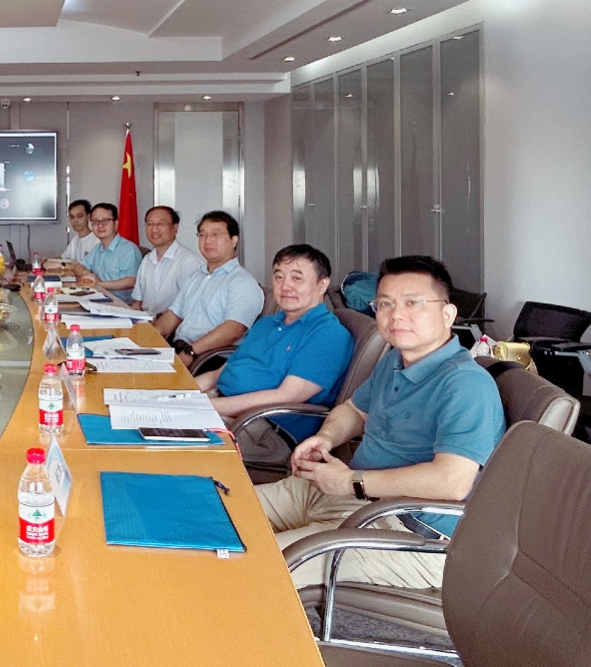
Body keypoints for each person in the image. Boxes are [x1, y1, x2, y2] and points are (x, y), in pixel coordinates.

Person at [257, 255, 505, 590]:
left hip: (409, 532)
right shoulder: (394, 361)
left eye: (413, 303)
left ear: (447, 314)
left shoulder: (466, 385)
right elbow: (354, 411)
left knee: (257, 570)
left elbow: (452, 481)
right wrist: (326, 438)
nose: (396, 315)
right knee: (221, 513)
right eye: (385, 304)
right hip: (354, 497)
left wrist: (353, 482)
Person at [195, 244, 353, 461]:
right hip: (221, 407)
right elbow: (219, 373)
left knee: (166, 444)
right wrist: (180, 396)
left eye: (296, 278)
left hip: (263, 427)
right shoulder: (267, 324)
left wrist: (204, 407)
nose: (285, 286)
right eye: (279, 277)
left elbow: (286, 396)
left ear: (322, 284)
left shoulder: (328, 334)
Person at [155, 210, 265, 359]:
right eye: (202, 235)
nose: (207, 241)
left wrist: (190, 352)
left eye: (215, 234)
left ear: (234, 240)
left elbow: (233, 330)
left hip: (209, 358)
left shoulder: (243, 282)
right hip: (179, 348)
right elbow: (172, 316)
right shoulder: (196, 276)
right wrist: (145, 340)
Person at [129, 206, 205, 317]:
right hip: (146, 320)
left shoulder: (188, 262)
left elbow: (191, 309)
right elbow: (137, 303)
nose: (154, 230)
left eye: (161, 224)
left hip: (172, 325)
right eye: (150, 224)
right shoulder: (147, 260)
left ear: (175, 228)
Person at [72, 202, 141, 302]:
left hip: (120, 304)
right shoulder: (97, 248)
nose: (100, 225)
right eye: (95, 221)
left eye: (105, 221)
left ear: (116, 224)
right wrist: (87, 274)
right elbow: (78, 266)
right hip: (99, 298)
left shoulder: (128, 249)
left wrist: (99, 284)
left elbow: (131, 280)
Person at [57, 199, 100, 265]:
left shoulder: (97, 241)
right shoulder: (75, 239)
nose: (75, 220)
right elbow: (62, 258)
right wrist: (47, 261)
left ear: (88, 217)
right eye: (72, 217)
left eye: (80, 216)